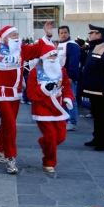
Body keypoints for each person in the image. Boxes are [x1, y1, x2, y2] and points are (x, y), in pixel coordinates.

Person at [0, 7, 54, 174]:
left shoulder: (22, 50)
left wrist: (47, 35)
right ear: (5, 38)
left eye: (17, 34)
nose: (17, 37)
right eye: (14, 35)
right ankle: (10, 158)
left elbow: (38, 48)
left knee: (8, 124)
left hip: (16, 92)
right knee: (11, 125)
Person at [27, 45, 74, 173]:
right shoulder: (34, 72)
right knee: (52, 136)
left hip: (58, 109)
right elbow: (30, 93)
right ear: (44, 57)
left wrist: (68, 98)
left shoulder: (61, 70)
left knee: (61, 136)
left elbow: (66, 87)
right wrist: (45, 89)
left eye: (55, 55)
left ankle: (44, 143)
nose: (53, 58)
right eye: (50, 55)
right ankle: (48, 162)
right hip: (42, 109)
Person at [82, 24, 104, 151]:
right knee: (97, 115)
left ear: (99, 34)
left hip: (101, 90)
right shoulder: (94, 47)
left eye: (92, 33)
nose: (89, 35)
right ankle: (97, 138)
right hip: (93, 89)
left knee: (103, 116)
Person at [57, 26, 80, 131]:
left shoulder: (72, 45)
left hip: (69, 77)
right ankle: (65, 120)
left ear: (69, 33)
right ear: (58, 34)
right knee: (64, 98)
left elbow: (74, 62)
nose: (63, 34)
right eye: (61, 33)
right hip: (60, 76)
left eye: (65, 32)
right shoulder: (60, 44)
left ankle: (73, 122)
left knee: (71, 99)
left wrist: (71, 76)